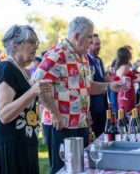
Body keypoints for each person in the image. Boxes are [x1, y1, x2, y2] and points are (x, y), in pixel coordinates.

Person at [33, 16, 121, 174]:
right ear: (76, 36)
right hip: (61, 124)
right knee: (62, 170)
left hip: (81, 123)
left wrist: (109, 86)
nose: (91, 41)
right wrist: (54, 112)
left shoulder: (84, 57)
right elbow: (37, 84)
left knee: (81, 168)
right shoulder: (57, 54)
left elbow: (88, 86)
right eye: (89, 37)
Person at [0, 25, 52, 174]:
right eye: (31, 42)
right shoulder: (7, 69)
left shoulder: (20, 70)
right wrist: (32, 91)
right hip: (12, 146)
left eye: (36, 43)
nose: (35, 47)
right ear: (15, 46)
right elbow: (4, 114)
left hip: (22, 144)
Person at [87, 33, 111, 138]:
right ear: (89, 45)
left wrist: (107, 78)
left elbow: (100, 78)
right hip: (92, 106)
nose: (99, 46)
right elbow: (89, 83)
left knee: (103, 135)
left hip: (103, 103)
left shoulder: (99, 60)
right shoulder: (85, 60)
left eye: (99, 44)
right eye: (96, 44)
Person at [115, 47, 136, 113]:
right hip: (126, 93)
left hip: (124, 92)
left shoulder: (119, 66)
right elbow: (123, 81)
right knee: (127, 113)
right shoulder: (125, 66)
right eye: (129, 53)